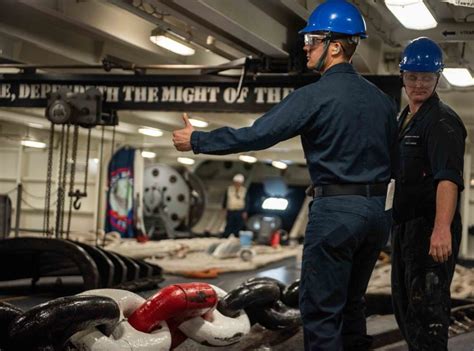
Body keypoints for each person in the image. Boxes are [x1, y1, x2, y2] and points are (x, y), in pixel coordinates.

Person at [173, 0, 398, 349]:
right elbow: (395, 161)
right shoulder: (383, 102)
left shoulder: (314, 96)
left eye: (314, 41)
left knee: (321, 310)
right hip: (376, 217)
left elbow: (257, 134)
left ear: (336, 47)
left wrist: (198, 140)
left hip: (336, 213)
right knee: (353, 304)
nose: (306, 47)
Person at [391, 37, 467, 350]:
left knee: (428, 312)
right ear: (402, 76)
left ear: (438, 78)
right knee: (406, 307)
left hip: (429, 227)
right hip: (407, 226)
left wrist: (441, 230)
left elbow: (447, 179)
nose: (419, 84)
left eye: (426, 77)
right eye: (412, 77)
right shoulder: (406, 119)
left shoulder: (441, 121)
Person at [221, 173, 248, 238]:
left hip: (240, 210)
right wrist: (224, 208)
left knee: (239, 224)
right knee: (229, 223)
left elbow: (247, 201)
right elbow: (225, 199)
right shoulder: (229, 189)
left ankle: (237, 236)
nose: (237, 184)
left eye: (239, 182)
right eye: (236, 182)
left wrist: (245, 211)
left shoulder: (244, 190)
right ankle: (226, 236)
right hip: (231, 210)